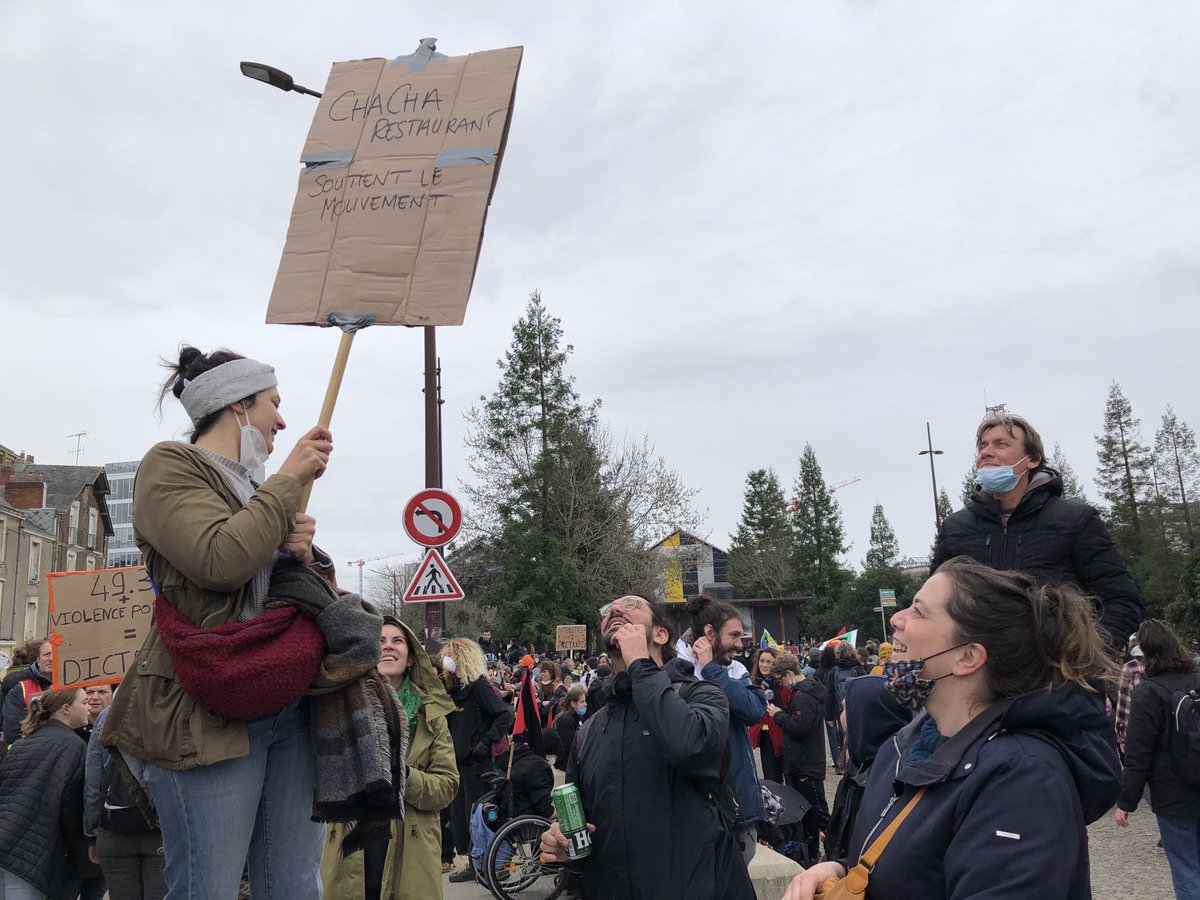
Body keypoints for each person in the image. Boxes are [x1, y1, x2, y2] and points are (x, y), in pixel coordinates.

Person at [99, 345, 339, 900]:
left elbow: (278, 585)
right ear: (237, 405)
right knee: (206, 887)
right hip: (206, 710)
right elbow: (220, 560)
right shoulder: (170, 466)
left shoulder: (258, 490)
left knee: (295, 887)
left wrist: (301, 555)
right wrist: (287, 480)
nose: (282, 420)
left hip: (285, 699)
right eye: (273, 403)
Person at [782, 557, 1121, 900]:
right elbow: (913, 865)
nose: (897, 619)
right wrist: (840, 870)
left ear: (967, 658)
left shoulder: (1022, 778)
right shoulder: (905, 744)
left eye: (918, 611)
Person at [540, 594, 755, 900]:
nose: (615, 609)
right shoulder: (590, 729)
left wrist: (640, 665)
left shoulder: (702, 696)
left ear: (660, 635)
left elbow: (689, 746)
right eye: (608, 610)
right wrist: (561, 842)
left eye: (631, 605)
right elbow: (580, 822)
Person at [931, 412, 1144, 648]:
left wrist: (1085, 656)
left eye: (1000, 444)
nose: (986, 452)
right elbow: (932, 607)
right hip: (975, 668)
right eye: (982, 446)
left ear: (1032, 460)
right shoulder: (955, 528)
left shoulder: (1076, 520)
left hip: (1054, 669)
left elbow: (1122, 601)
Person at [322, 615, 459, 900]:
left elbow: (446, 787)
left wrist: (403, 775)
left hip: (411, 856)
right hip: (349, 851)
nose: (388, 646)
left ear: (410, 659)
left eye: (397, 641)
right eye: (380, 640)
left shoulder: (431, 716)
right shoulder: (338, 707)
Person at [1114, 619, 1200, 898]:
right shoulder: (1197, 680)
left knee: (1186, 867)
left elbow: (1138, 753)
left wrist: (1126, 801)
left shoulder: (1149, 691)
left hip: (1173, 791)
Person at [679, 594, 767, 865]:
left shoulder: (734, 669)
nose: (740, 644)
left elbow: (754, 709)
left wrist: (711, 670)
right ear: (709, 633)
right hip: (694, 804)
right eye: (734, 636)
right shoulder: (677, 670)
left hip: (737, 801)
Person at [0, 688, 92, 899]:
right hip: (32, 852)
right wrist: (82, 846)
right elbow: (72, 806)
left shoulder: (22, 743)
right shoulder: (74, 746)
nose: (88, 707)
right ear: (66, 709)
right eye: (84, 702)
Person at [442, 637, 514, 884]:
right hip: (458, 762)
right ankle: (475, 862)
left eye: (453, 656)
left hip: (477, 763)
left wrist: (485, 743)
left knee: (479, 816)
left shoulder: (479, 687)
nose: (448, 661)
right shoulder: (454, 690)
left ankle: (494, 863)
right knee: (461, 818)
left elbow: (504, 715)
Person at [84, 704, 164, 900]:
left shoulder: (107, 715)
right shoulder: (168, 707)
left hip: (115, 826)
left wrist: (92, 832)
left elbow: (93, 779)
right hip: (162, 826)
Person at [767, 651, 828, 864]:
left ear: (789, 673)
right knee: (809, 816)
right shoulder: (804, 692)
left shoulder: (804, 695)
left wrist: (778, 715)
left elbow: (800, 728)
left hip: (806, 764)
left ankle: (832, 851)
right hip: (803, 762)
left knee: (818, 815)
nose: (781, 684)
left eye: (780, 679)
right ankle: (812, 853)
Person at [2, 639, 53, 749]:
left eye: (56, 654)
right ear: (38, 660)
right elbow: (13, 732)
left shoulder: (73, 687)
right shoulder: (20, 690)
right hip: (30, 751)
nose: (51, 658)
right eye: (47, 654)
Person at [747, 647, 787, 785]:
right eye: (762, 661)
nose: (764, 665)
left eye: (769, 662)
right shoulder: (754, 683)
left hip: (782, 734)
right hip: (765, 737)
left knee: (789, 778)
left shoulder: (782, 683)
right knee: (771, 780)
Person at [1113, 632, 1146, 754]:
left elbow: (1124, 707)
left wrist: (1122, 737)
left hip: (1138, 732)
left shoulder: (1131, 668)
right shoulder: (1176, 666)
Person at [553, 684, 587, 772]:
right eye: (582, 702)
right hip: (566, 763)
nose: (585, 704)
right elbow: (570, 746)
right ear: (573, 704)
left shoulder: (574, 717)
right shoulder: (566, 721)